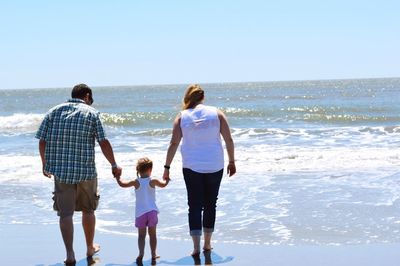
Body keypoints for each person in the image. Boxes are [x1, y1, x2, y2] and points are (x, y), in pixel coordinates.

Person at [35, 83, 122, 265]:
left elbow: (42, 140)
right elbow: (103, 142)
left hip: (61, 172)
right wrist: (114, 164)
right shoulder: (92, 113)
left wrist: (45, 164)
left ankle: (70, 254)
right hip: (86, 171)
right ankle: (90, 247)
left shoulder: (53, 112)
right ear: (87, 96)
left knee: (65, 214)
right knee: (88, 210)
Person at [162, 84, 236, 256]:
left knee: (194, 206)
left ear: (188, 97)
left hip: (191, 167)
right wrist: (232, 161)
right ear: (202, 97)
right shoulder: (216, 113)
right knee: (211, 204)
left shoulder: (182, 116)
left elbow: (173, 143)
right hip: (215, 165)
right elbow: (229, 139)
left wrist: (166, 167)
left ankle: (195, 247)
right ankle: (207, 244)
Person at [115, 157, 169, 265]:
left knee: (141, 236)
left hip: (140, 213)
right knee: (153, 235)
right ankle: (153, 254)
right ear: (150, 169)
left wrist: (117, 177)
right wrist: (167, 179)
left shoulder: (136, 182)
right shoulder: (153, 181)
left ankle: (141, 254)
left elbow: (122, 184)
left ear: (138, 170)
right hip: (152, 212)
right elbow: (163, 185)